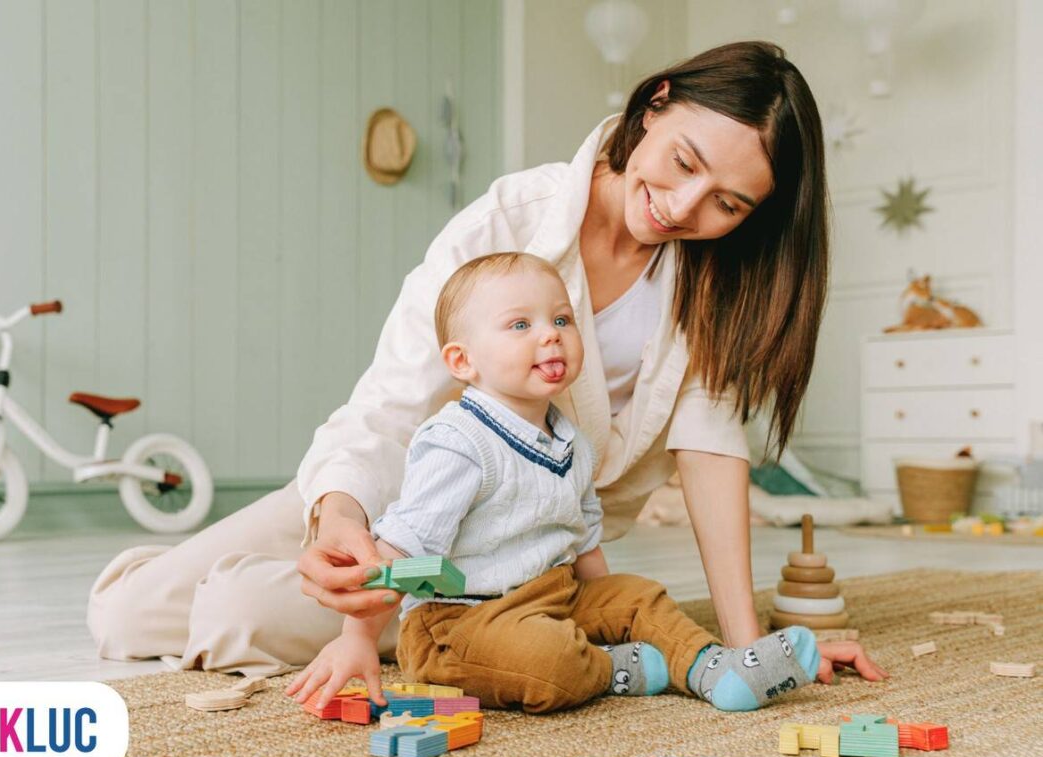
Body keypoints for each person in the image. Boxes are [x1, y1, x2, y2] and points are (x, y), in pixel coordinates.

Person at [86, 41, 887, 686]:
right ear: (655, 103)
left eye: (727, 203)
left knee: (234, 612)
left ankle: (475, 626)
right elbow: (390, 405)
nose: (683, 207)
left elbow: (710, 454)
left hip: (518, 549)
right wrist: (337, 519)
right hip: (406, 488)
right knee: (122, 616)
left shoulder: (714, 285)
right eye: (683, 162)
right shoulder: (513, 218)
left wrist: (748, 648)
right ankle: (438, 617)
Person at [285, 252, 823, 714]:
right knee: (549, 659)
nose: (551, 335)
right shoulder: (458, 442)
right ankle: (612, 669)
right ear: (462, 360)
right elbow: (402, 551)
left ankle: (717, 671)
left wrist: (610, 611)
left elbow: (583, 537)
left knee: (641, 596)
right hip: (459, 624)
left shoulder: (571, 440)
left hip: (552, 595)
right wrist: (355, 638)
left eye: (562, 320)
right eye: (521, 325)